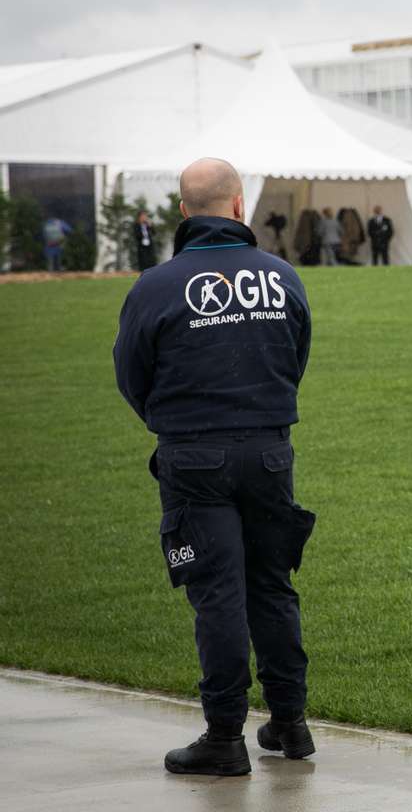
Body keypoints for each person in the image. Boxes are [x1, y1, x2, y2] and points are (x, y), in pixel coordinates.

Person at [113, 157, 317, 777]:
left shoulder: (154, 285)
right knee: (272, 585)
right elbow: (296, 355)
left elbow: (131, 374)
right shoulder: (281, 277)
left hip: (193, 456)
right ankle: (290, 722)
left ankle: (225, 736)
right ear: (238, 206)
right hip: (269, 451)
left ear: (182, 211)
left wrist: (171, 420)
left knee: (218, 596)